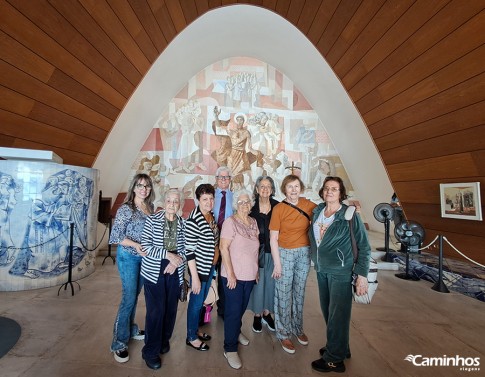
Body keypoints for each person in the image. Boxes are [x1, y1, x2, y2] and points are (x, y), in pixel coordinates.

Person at [309, 176, 371, 373]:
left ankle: (334, 359)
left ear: (341, 193)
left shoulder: (350, 214)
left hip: (341, 272)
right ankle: (340, 347)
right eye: (327, 188)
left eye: (334, 189)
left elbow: (364, 246)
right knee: (329, 311)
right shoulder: (318, 211)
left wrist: (361, 275)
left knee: (339, 315)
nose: (329, 192)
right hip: (322, 269)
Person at [109, 173, 154, 363]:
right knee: (128, 297)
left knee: (135, 295)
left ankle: (131, 330)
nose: (143, 189)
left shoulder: (149, 208)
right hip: (128, 257)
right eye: (140, 185)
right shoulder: (126, 209)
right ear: (134, 188)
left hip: (144, 259)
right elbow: (116, 236)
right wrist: (135, 245)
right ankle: (118, 342)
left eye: (147, 186)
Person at [269, 174, 317, 354]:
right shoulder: (279, 209)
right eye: (290, 187)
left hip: (304, 253)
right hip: (285, 253)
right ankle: (283, 333)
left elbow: (325, 215)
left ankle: (298, 328)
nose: (294, 190)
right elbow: (273, 238)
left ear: (301, 188)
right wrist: (277, 264)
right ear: (284, 190)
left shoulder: (309, 205)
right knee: (283, 293)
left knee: (299, 292)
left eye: (296, 186)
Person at [140, 189, 186, 370]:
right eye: (169, 200)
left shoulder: (183, 223)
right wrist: (168, 255)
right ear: (164, 202)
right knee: (156, 311)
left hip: (174, 269)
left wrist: (175, 262)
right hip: (154, 269)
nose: (172, 204)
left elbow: (187, 248)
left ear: (180, 204)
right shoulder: (152, 220)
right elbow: (146, 246)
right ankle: (150, 351)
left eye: (176, 201)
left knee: (170, 309)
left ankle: (163, 340)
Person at [219, 189, 259, 369]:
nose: (244, 205)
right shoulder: (230, 222)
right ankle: (229, 349)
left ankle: (236, 331)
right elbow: (223, 248)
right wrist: (231, 273)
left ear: (251, 204)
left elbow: (255, 249)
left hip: (250, 275)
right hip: (232, 276)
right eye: (241, 202)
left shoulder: (254, 222)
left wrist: (256, 270)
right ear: (236, 205)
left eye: (247, 202)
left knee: (241, 308)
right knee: (233, 311)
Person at [185, 183, 219, 351]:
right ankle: (191, 337)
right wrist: (195, 278)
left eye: (211, 198)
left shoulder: (210, 216)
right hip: (199, 270)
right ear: (197, 200)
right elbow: (189, 252)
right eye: (205, 199)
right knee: (196, 304)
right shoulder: (193, 220)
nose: (209, 202)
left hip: (209, 267)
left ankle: (195, 330)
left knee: (202, 303)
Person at [247, 176, 279, 333]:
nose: (265, 189)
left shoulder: (279, 207)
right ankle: (257, 315)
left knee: (271, 284)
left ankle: (267, 314)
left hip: (275, 253)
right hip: (257, 253)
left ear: (272, 190)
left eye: (268, 186)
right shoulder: (251, 210)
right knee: (258, 285)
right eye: (262, 186)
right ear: (257, 189)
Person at [212, 166, 234, 319]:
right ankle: (203, 310)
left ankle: (223, 309)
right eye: (221, 177)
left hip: (229, 244)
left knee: (225, 276)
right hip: (211, 242)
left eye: (226, 177)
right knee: (209, 274)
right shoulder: (210, 196)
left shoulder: (235, 196)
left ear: (230, 180)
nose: (224, 180)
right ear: (216, 179)